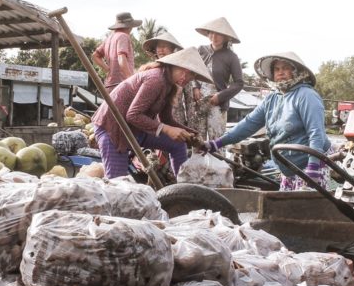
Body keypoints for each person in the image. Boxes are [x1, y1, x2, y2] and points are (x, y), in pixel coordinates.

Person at [201, 52, 330, 190]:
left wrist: (313, 167)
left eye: (286, 68)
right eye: (277, 69)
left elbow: (316, 133)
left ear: (296, 72)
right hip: (288, 168)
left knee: (310, 209)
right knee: (287, 208)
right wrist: (217, 143)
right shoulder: (271, 99)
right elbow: (248, 124)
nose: (280, 72)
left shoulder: (306, 95)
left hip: (309, 166)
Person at [91, 48, 214, 179]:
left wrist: (192, 134)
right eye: (191, 75)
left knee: (178, 143)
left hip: (135, 129)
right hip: (113, 128)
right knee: (118, 182)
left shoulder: (169, 85)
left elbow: (166, 119)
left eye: (193, 77)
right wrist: (166, 129)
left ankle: (182, 190)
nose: (190, 79)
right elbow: (133, 115)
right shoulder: (156, 79)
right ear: (183, 70)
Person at [193, 17, 243, 139]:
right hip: (198, 102)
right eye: (211, 33)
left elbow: (239, 83)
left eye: (219, 34)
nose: (214, 37)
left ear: (226, 37)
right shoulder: (201, 50)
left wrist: (220, 96)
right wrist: (195, 87)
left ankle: (218, 159)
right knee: (197, 141)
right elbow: (193, 70)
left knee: (217, 142)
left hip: (217, 103)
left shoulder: (231, 57)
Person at [92, 12, 141, 92]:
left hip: (110, 85)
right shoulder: (123, 36)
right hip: (121, 85)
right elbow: (121, 57)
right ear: (130, 26)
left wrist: (107, 69)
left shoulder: (109, 38)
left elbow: (95, 56)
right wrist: (130, 79)